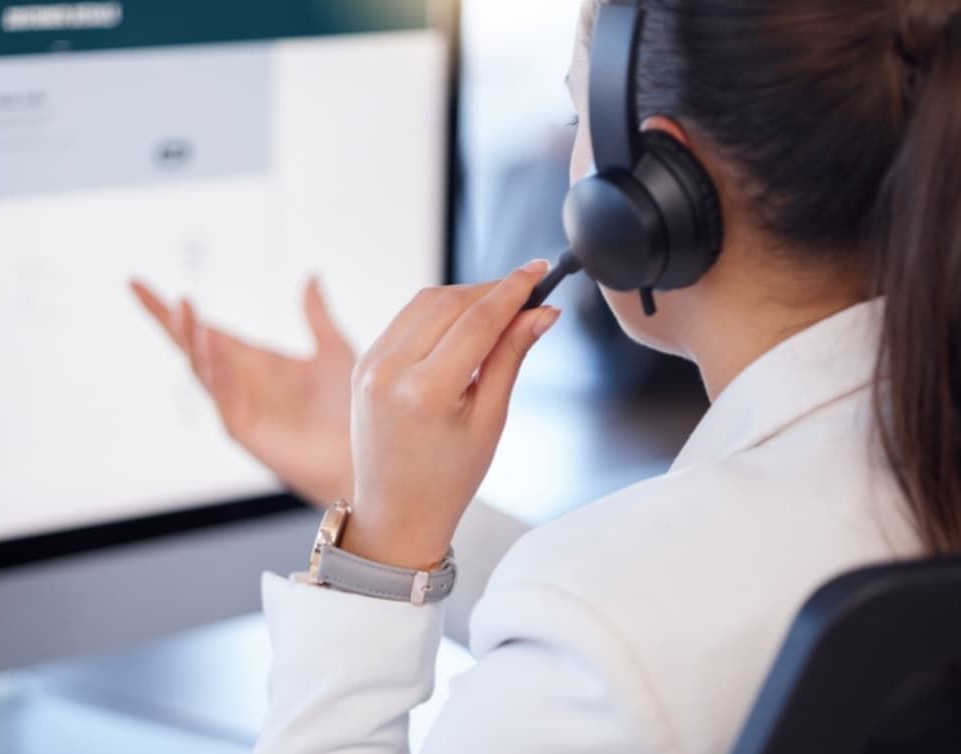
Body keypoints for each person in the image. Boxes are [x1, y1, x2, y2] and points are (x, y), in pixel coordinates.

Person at [130, 0, 961, 751]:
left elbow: (621, 622)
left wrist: (374, 559)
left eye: (576, 115)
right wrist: (377, 485)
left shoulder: (607, 630)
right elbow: (653, 605)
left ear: (657, 190)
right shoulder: (898, 452)